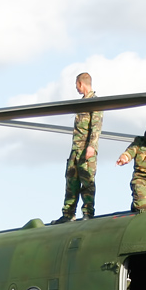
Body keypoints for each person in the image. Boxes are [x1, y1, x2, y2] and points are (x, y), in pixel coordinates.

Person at [53, 72, 103, 224]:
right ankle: (68, 214)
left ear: (81, 84)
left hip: (86, 149)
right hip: (76, 150)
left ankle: (88, 212)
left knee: (87, 181)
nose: (76, 88)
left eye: (76, 85)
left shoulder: (95, 102)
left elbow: (96, 127)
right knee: (71, 181)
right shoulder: (82, 102)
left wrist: (91, 147)